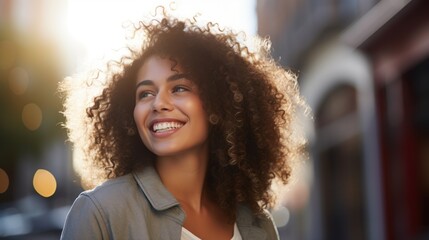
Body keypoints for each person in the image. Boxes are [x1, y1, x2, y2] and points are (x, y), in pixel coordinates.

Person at [60, 9, 305, 240]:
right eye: (145, 93)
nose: (158, 103)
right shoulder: (100, 213)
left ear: (216, 104)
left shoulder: (256, 223)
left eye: (179, 88)